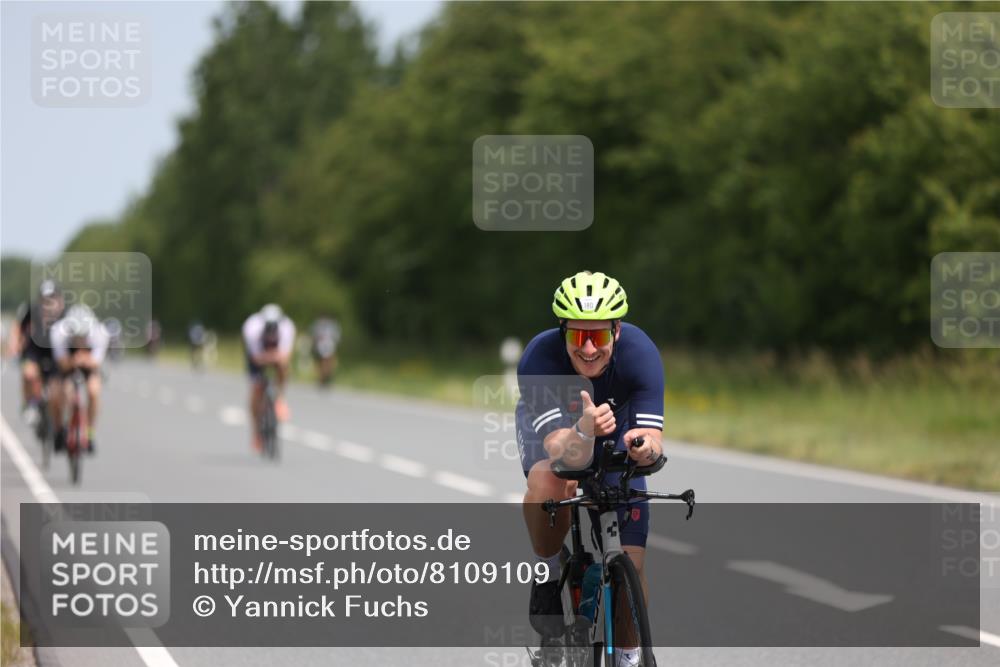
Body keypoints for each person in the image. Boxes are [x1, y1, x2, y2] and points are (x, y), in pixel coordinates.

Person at [516, 271, 664, 663]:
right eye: (576, 336)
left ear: (616, 331)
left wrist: (643, 448)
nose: (586, 349)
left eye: (596, 337)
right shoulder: (539, 358)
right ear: (562, 332)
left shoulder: (641, 354)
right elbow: (559, 448)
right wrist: (584, 429)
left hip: (616, 428)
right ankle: (547, 571)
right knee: (551, 480)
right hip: (560, 434)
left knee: (632, 562)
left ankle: (629, 656)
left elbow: (652, 439)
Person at [50, 304, 110, 454]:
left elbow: (96, 362)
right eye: (76, 335)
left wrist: (83, 359)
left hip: (88, 364)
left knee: (93, 391)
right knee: (59, 394)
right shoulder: (58, 332)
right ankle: (59, 429)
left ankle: (89, 433)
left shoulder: (100, 333)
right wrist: (73, 361)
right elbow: (62, 363)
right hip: (68, 362)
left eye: (82, 336)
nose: (79, 339)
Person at [6, 280, 65, 431]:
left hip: (55, 354)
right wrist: (14, 346)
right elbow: (17, 327)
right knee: (29, 374)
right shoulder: (31, 309)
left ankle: (59, 428)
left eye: (52, 297)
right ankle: (30, 404)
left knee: (58, 393)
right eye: (45, 298)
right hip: (34, 351)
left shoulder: (65, 313)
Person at [242, 304, 296, 452]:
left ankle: (280, 399)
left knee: (284, 367)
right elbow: (255, 358)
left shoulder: (287, 328)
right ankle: (256, 432)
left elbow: (285, 356)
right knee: (257, 388)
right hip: (257, 354)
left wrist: (275, 358)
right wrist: (269, 357)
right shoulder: (252, 328)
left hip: (275, 354)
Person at [310, 316, 341, 387]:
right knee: (324, 362)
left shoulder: (328, 325)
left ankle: (324, 378)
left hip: (328, 345)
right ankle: (323, 379)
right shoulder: (322, 325)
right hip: (324, 346)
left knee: (327, 362)